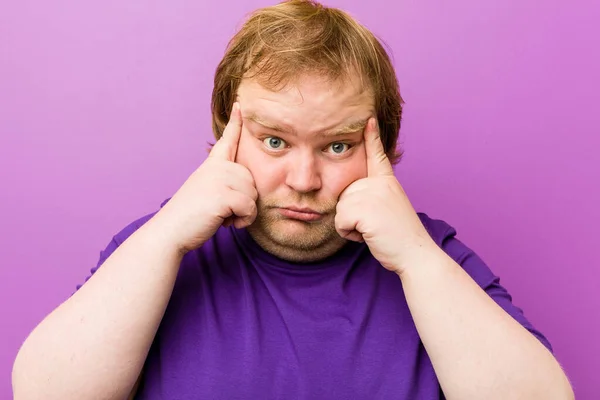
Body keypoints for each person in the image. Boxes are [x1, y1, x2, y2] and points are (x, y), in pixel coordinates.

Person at [12, 1, 574, 399]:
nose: (303, 178)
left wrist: (417, 259)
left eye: (337, 144)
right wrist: (165, 235)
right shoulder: (158, 248)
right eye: (274, 140)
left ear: (384, 145)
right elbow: (44, 392)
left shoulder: (432, 255)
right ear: (227, 133)